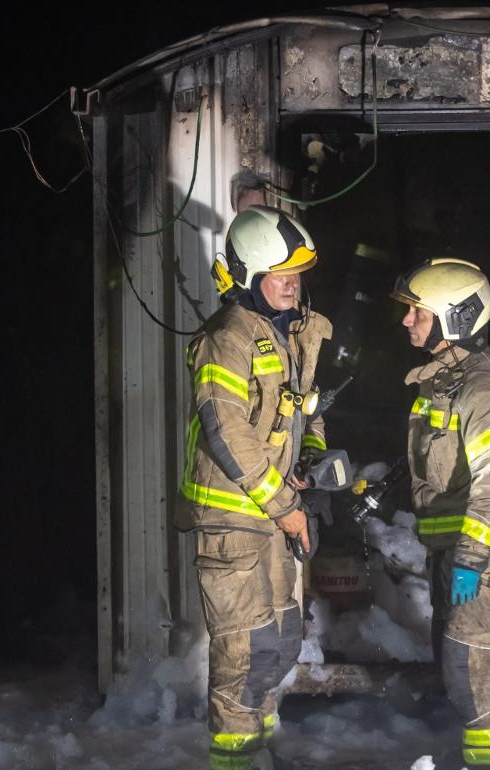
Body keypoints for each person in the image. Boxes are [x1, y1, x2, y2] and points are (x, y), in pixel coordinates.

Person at [176, 205, 333, 770]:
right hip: (235, 525)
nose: (293, 283)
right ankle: (235, 761)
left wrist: (310, 459)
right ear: (247, 276)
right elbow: (226, 430)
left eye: (297, 273)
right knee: (244, 656)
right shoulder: (228, 337)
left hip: (273, 518)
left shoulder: (286, 336)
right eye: (280, 273)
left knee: (280, 645)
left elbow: (302, 413)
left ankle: (261, 754)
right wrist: (288, 507)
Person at [392, 258, 490, 769]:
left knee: (474, 677)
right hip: (456, 550)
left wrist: (471, 559)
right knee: (467, 673)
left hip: (485, 557)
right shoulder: (445, 379)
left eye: (418, 313)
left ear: (455, 318)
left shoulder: (484, 387)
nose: (407, 321)